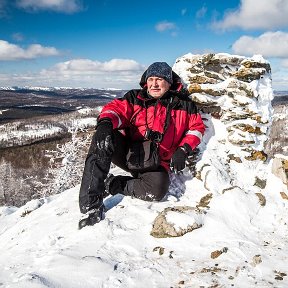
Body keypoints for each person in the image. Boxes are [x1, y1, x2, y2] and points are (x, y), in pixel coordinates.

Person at [78, 62, 205, 229]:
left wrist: (184, 149)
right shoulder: (135, 98)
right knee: (102, 139)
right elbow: (115, 109)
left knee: (157, 191)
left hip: (157, 162)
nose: (154, 84)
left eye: (159, 79)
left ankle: (112, 184)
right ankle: (91, 206)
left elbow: (197, 128)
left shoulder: (184, 105)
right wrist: (105, 124)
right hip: (129, 154)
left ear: (169, 82)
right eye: (151, 79)